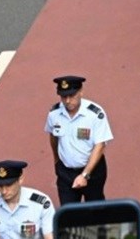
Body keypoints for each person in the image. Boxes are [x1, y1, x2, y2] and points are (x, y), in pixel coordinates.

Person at [44, 75, 112, 205]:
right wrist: (57, 161)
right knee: (68, 213)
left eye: (72, 96)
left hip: (92, 172)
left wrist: (85, 175)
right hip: (65, 173)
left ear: (81, 92)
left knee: (95, 211)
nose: (68, 101)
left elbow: (100, 145)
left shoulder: (95, 114)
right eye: (64, 97)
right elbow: (53, 137)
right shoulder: (54, 113)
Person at [0, 160, 54, 239]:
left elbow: (49, 236)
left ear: (20, 179)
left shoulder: (41, 204)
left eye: (9, 185)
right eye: (0, 186)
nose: (4, 191)